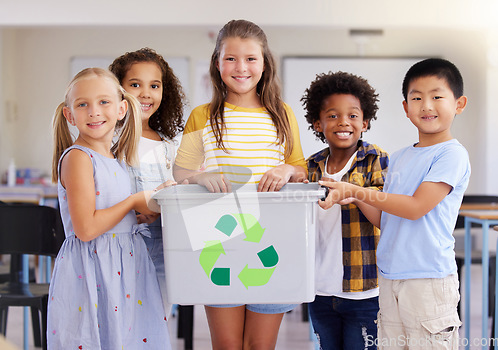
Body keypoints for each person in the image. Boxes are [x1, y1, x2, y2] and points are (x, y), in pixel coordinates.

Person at [173, 19, 307, 349]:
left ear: (265, 64)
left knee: (260, 346)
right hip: (219, 242)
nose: (241, 68)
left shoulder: (282, 114)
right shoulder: (203, 115)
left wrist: (287, 170)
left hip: (273, 240)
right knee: (228, 346)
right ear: (217, 63)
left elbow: (301, 170)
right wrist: (199, 176)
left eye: (250, 59)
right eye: (230, 58)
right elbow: (180, 172)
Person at [320, 58, 469, 349]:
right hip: (389, 277)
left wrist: (359, 191)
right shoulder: (400, 157)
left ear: (459, 104)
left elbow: (415, 208)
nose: (426, 105)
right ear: (406, 108)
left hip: (428, 279)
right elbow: (384, 219)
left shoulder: (452, 155)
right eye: (417, 98)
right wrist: (355, 196)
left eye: (437, 96)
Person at [48, 67, 173, 349]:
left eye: (103, 102)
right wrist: (132, 201)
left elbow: (111, 213)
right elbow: (87, 228)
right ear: (70, 115)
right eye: (83, 104)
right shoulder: (78, 158)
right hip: (93, 271)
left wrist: (140, 212)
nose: (94, 111)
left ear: (121, 109)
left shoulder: (115, 160)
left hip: (123, 267)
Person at [301, 71, 388, 349]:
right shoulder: (309, 167)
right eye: (333, 115)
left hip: (364, 292)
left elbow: (386, 218)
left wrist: (353, 193)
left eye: (352, 116)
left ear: (365, 122)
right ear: (318, 123)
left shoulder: (377, 160)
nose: (343, 123)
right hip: (319, 289)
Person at [110, 47, 186, 318]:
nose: (145, 93)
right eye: (135, 84)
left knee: (156, 327)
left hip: (163, 252)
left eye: (154, 85)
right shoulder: (110, 140)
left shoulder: (168, 145)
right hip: (121, 252)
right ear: (117, 90)